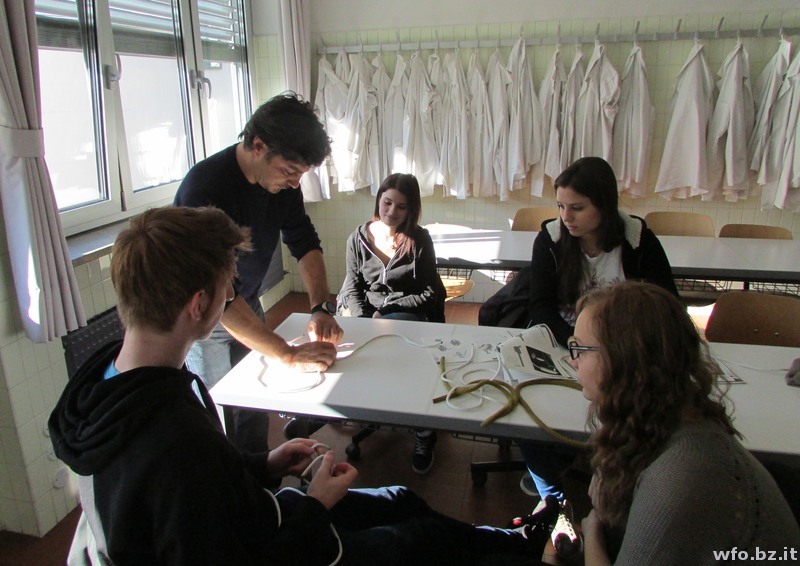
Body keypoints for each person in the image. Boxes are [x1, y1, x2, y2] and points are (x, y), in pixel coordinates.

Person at [49, 206, 560, 565]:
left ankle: (513, 542)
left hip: (262, 518)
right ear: (199, 304)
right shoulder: (173, 441)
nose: (234, 297)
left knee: (401, 499)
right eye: (230, 287)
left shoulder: (111, 380)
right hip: (285, 546)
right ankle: (519, 552)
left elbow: (209, 490)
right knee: (417, 540)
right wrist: (314, 505)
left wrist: (265, 464)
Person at [519, 156, 678, 559]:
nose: (565, 217)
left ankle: (613, 486)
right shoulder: (551, 239)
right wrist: (576, 345)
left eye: (577, 207)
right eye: (560, 206)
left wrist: (608, 349)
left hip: (620, 353)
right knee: (525, 407)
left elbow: (666, 305)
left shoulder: (638, 240)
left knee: (625, 407)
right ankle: (553, 495)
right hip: (565, 345)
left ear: (604, 206)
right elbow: (540, 306)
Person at [574, 282, 800, 565]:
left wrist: (592, 529)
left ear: (624, 360)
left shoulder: (679, 477)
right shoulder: (665, 421)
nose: (573, 361)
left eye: (580, 349)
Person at [173, 92, 343, 454]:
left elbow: (304, 241)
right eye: (290, 171)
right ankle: (227, 484)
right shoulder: (205, 189)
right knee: (217, 414)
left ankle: (260, 478)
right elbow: (216, 293)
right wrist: (289, 354)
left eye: (301, 175)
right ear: (258, 145)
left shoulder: (281, 187)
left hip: (245, 301)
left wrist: (320, 307)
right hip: (203, 317)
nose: (295, 183)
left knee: (254, 406)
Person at [338, 174, 446, 474]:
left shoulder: (419, 239)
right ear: (378, 200)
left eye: (401, 206)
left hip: (406, 311)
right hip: (367, 312)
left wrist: (387, 310)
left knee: (398, 351)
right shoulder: (358, 238)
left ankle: (424, 432)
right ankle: (362, 404)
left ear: (412, 209)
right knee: (345, 337)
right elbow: (352, 286)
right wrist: (363, 320)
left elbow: (430, 292)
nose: (391, 211)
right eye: (387, 202)